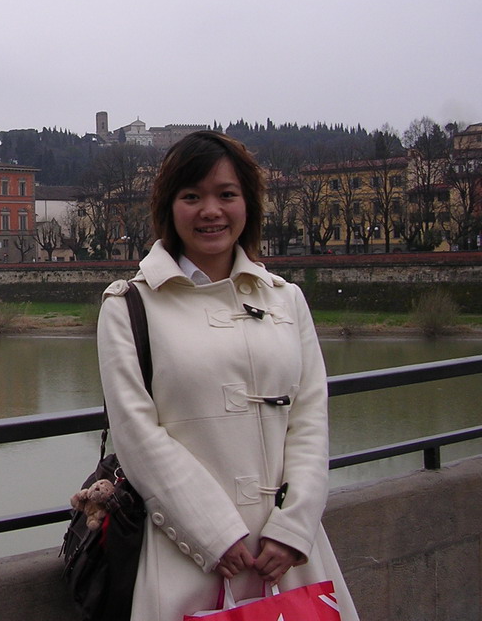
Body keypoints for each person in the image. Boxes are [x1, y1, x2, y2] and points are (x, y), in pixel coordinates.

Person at [97, 131, 359, 620]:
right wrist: (215, 533)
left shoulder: (286, 300)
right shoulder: (128, 306)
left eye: (226, 195)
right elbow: (137, 435)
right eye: (191, 196)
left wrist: (295, 527)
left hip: (286, 557)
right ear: (169, 207)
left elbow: (309, 418)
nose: (210, 210)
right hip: (187, 553)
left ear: (249, 204)